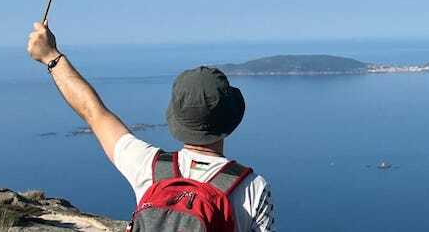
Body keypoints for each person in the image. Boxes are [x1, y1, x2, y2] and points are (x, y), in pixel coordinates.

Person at [27, 22, 275, 231]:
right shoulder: (252, 187)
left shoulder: (149, 167)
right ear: (231, 121)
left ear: (176, 118)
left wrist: (51, 57)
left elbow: (94, 113)